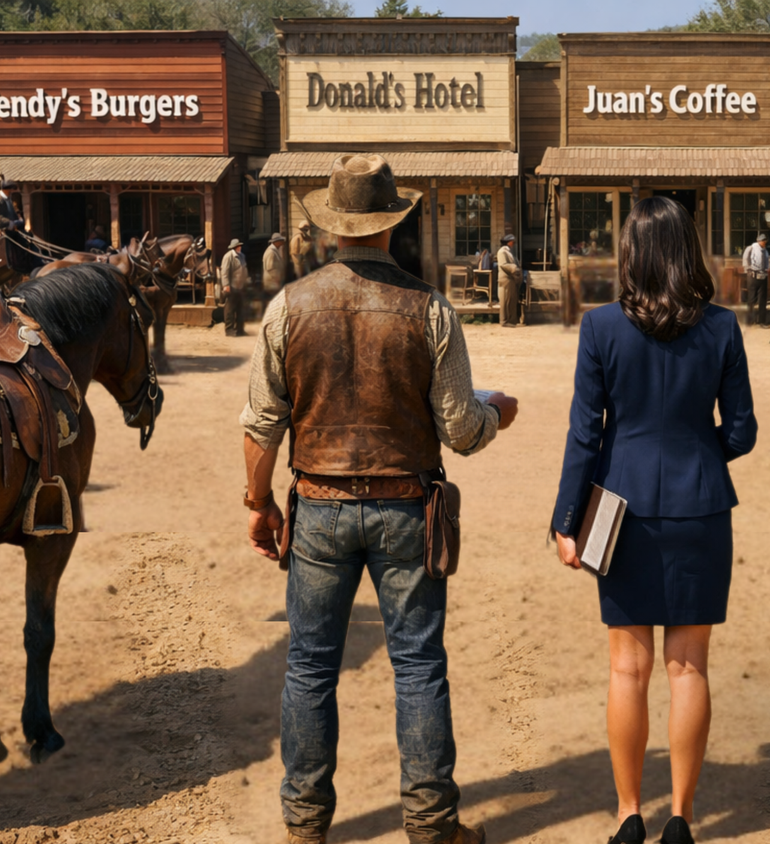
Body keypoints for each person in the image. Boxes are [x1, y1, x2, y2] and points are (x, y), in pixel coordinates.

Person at [241, 153, 516, 844]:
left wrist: (257, 503)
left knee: (308, 668)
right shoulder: (431, 309)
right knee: (419, 665)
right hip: (405, 508)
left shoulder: (288, 307)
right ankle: (429, 824)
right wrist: (497, 414)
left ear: (333, 227)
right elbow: (459, 428)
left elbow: (260, 425)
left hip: (318, 505)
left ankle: (304, 826)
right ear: (393, 225)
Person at [551, 196, 757, 844]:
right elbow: (744, 431)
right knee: (689, 667)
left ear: (631, 254)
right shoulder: (722, 328)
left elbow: (584, 434)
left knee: (626, 669)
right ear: (687, 251)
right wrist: (701, 454)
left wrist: (565, 519)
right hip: (701, 505)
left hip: (619, 509)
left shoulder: (601, 328)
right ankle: (682, 819)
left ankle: (628, 813)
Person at [220, 238, 249, 337]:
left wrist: (246, 282)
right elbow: (224, 272)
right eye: (237, 246)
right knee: (230, 309)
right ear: (234, 247)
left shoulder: (242, 256)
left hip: (240, 286)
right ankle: (229, 330)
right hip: (232, 286)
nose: (239, 247)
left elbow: (244, 269)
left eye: (240, 246)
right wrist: (226, 285)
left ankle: (240, 329)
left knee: (240, 309)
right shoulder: (228, 257)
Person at [741, 232, 770, 326]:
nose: (763, 243)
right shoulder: (751, 248)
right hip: (753, 275)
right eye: (762, 241)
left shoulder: (765, 251)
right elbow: (745, 260)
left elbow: (767, 262)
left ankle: (761, 320)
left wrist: (766, 270)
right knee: (751, 298)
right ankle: (749, 320)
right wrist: (748, 269)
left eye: (765, 241)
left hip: (763, 275)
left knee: (762, 299)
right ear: (758, 241)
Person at [496, 233, 523, 328]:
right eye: (512, 242)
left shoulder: (508, 251)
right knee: (505, 300)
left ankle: (512, 321)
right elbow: (503, 264)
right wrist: (514, 268)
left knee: (512, 300)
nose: (513, 243)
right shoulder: (502, 252)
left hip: (511, 279)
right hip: (505, 279)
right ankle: (504, 321)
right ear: (509, 242)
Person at [262, 232, 288, 298]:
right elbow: (270, 269)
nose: (282, 243)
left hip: (275, 282)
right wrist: (277, 280)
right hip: (272, 282)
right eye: (280, 241)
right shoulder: (271, 252)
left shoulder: (274, 250)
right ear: (276, 242)